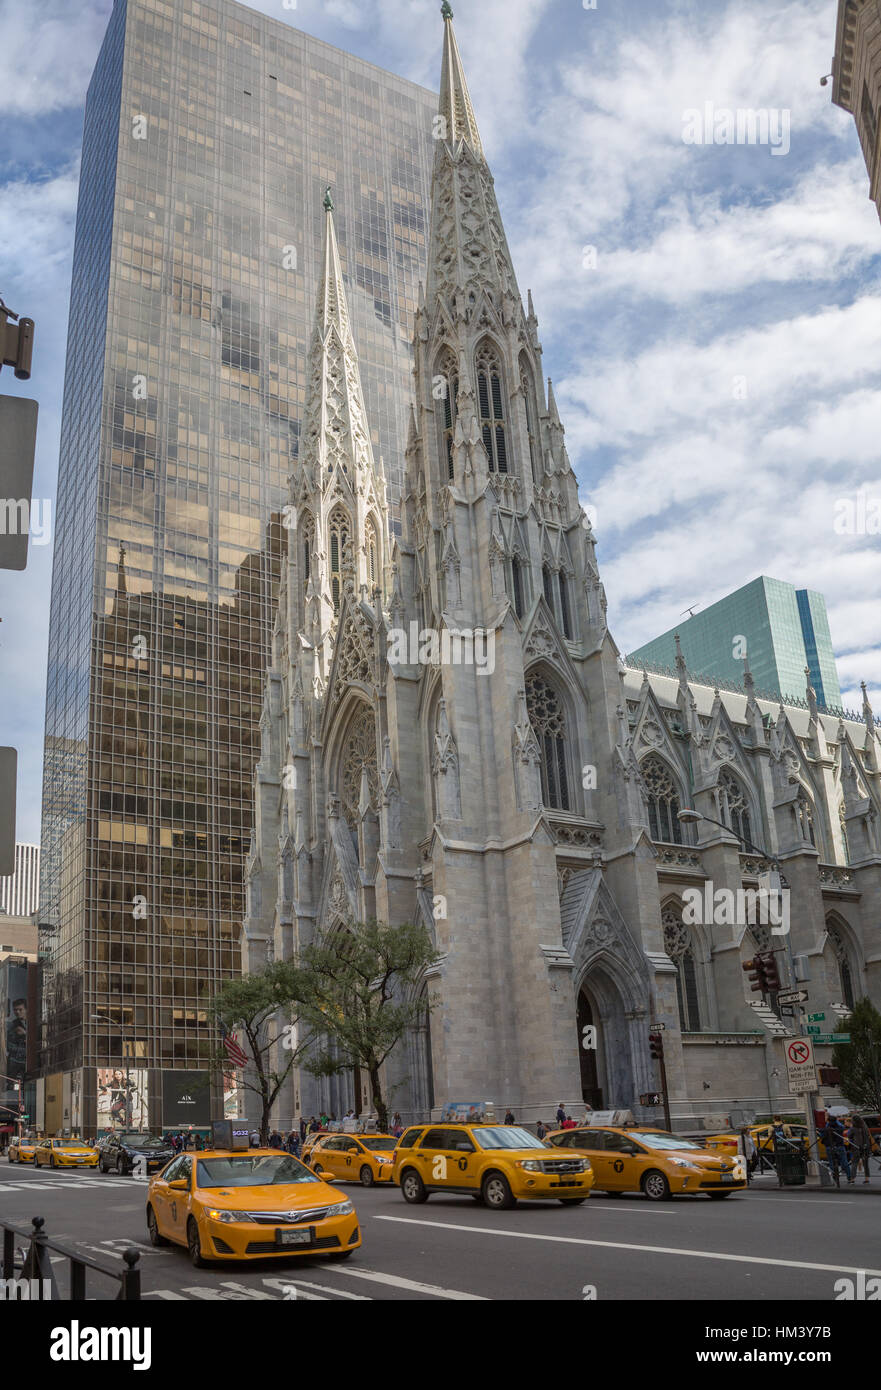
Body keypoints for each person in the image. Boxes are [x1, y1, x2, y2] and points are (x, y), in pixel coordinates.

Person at [821, 1115, 853, 1186]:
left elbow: (822, 1138)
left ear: (828, 1121)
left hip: (829, 1146)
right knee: (844, 1161)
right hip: (840, 1146)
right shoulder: (839, 1127)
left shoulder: (826, 1128)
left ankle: (835, 1177)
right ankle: (849, 1178)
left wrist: (826, 1142)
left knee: (831, 1162)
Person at [846, 1115, 872, 1184]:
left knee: (854, 1163)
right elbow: (868, 1136)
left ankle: (852, 1179)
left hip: (856, 1147)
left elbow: (848, 1135)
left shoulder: (853, 1128)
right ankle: (867, 1178)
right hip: (865, 1146)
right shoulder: (865, 1127)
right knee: (865, 1163)